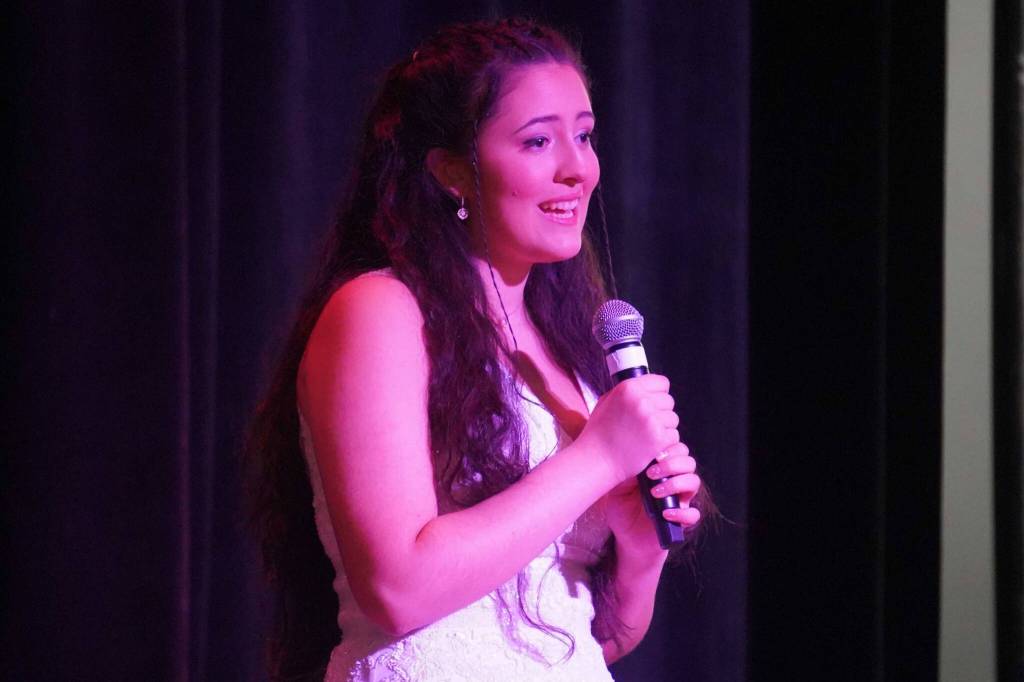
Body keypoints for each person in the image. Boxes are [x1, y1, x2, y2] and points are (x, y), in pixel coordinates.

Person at [246, 18, 708, 682]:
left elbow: (584, 638)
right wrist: (599, 456)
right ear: (453, 172)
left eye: (583, 135)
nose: (577, 168)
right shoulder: (381, 311)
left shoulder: (566, 352)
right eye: (538, 141)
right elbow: (398, 589)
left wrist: (640, 555)